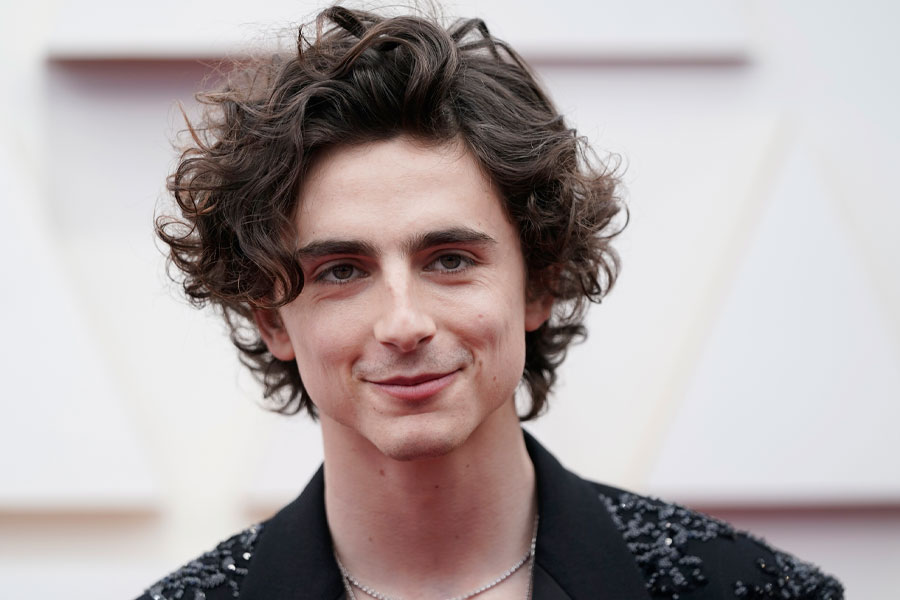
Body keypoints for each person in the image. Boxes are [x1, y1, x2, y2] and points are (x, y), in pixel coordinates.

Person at [139, 5, 843, 600]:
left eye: (449, 260)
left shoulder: (751, 590)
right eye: (342, 271)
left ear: (538, 283)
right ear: (271, 319)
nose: (404, 324)